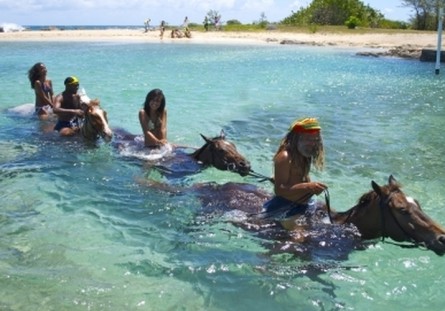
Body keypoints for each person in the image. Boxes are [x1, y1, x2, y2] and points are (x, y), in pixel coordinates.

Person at [262, 117, 327, 219]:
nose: (313, 143)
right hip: (285, 206)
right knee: (299, 235)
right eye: (308, 139)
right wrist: (308, 187)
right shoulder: (285, 157)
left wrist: (312, 188)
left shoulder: (304, 154)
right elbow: (279, 190)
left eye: (316, 139)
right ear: (296, 138)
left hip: (303, 203)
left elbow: (302, 178)